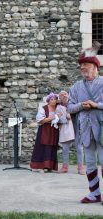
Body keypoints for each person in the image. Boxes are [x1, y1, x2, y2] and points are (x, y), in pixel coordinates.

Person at [68, 42, 103, 204]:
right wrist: (81, 105)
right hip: (86, 130)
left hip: (102, 128)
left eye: (87, 64)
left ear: (96, 67)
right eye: (81, 65)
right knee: (90, 163)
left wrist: (96, 105)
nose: (83, 67)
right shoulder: (75, 87)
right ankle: (94, 193)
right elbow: (69, 107)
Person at [30, 93, 60, 172]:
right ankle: (40, 166)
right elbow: (40, 120)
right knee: (43, 147)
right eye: (51, 99)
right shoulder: (44, 108)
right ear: (48, 101)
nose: (53, 101)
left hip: (54, 130)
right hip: (45, 129)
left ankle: (49, 166)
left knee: (52, 147)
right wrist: (51, 118)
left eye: (55, 99)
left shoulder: (58, 108)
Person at [57, 91, 85, 174]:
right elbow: (58, 119)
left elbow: (80, 113)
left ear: (68, 96)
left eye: (65, 94)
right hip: (66, 130)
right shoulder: (58, 107)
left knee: (79, 148)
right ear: (60, 98)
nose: (64, 96)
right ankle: (65, 167)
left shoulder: (74, 104)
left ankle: (81, 168)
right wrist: (65, 117)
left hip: (76, 128)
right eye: (61, 95)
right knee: (65, 148)